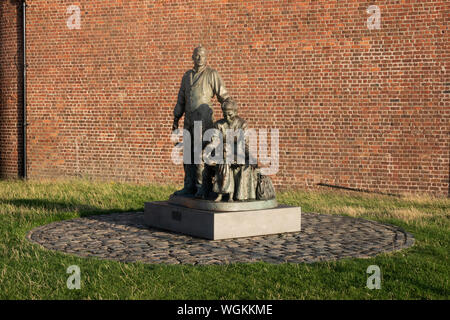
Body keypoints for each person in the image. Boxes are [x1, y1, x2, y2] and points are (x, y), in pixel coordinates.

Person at [171, 46, 230, 197]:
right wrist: (176, 118)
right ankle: (189, 185)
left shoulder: (211, 74)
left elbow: (223, 95)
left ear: (206, 58)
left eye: (202, 56)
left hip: (203, 119)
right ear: (192, 57)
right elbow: (181, 99)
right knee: (187, 154)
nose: (199, 58)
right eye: (197, 55)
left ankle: (201, 187)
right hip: (189, 119)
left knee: (199, 154)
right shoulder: (187, 76)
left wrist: (230, 113)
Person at [204, 99, 258, 202]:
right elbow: (214, 142)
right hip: (222, 153)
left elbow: (245, 144)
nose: (227, 118)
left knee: (243, 166)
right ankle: (215, 192)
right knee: (220, 164)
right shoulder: (218, 125)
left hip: (238, 154)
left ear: (236, 112)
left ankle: (239, 195)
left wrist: (251, 157)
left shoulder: (242, 124)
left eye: (230, 115)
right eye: (225, 115)